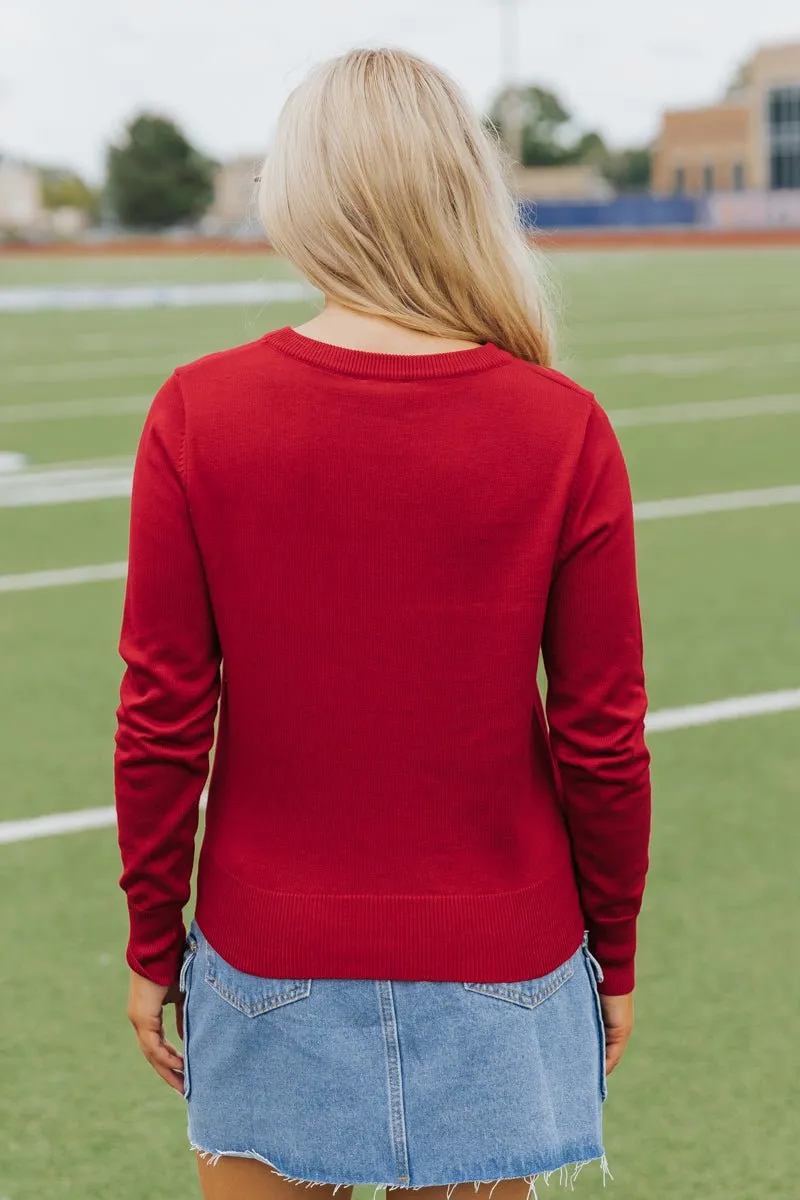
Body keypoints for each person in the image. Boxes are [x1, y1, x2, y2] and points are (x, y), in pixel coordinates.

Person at [114, 46, 651, 1200]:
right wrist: (613, 949)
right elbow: (600, 737)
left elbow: (162, 720)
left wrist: (152, 940)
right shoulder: (559, 425)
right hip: (505, 959)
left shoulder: (198, 411)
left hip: (268, 949)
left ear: (298, 192)